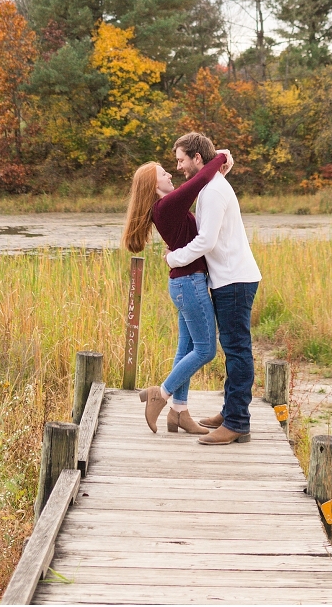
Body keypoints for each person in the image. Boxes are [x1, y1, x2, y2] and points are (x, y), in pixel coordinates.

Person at [122, 147, 233, 434]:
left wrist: (220, 169)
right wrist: (220, 157)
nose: (170, 172)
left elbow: (203, 185)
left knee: (186, 348)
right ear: (153, 184)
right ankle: (162, 393)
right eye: (163, 172)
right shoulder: (167, 205)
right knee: (206, 350)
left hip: (184, 283)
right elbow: (199, 181)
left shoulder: (165, 208)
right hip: (189, 283)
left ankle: (179, 412)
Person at [165, 132, 261, 445]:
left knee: (237, 351)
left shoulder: (214, 191)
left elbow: (206, 240)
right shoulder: (211, 186)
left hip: (235, 280)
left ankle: (236, 423)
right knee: (233, 349)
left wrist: (173, 257)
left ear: (197, 158)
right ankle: (231, 410)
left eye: (181, 160)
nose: (178, 167)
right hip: (227, 279)